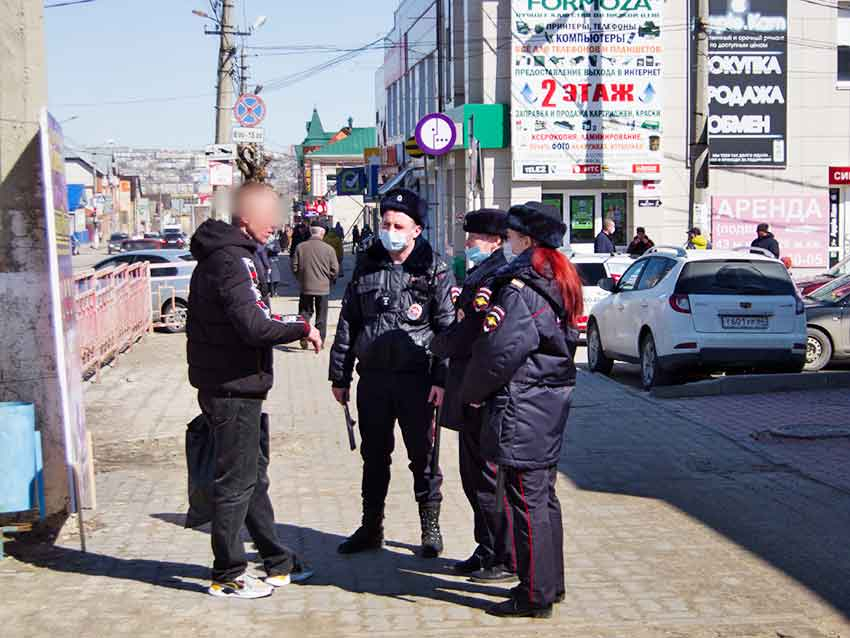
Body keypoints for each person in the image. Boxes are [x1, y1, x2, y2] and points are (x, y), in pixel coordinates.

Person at [187, 182, 322, 600]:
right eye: (270, 217)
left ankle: (276, 561)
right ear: (247, 217)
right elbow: (255, 326)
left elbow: (252, 314)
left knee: (252, 477)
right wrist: (302, 327)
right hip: (232, 388)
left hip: (233, 384)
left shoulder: (230, 256)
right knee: (236, 482)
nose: (277, 225)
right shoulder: (233, 260)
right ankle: (228, 573)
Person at [461, 201, 582, 618]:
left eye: (511, 238)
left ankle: (534, 595)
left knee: (527, 502)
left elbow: (500, 352)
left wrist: (472, 391)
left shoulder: (524, 288)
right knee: (543, 498)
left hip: (524, 406)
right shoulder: (557, 280)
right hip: (544, 404)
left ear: (526, 240)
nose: (506, 245)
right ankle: (550, 583)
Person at [329, 188, 455, 558]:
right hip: (373, 381)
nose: (390, 230)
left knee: (424, 458)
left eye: (399, 225)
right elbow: (348, 324)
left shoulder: (435, 270)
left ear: (416, 229)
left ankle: (430, 528)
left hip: (418, 381)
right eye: (386, 224)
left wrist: (441, 379)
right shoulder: (367, 264)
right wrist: (340, 375)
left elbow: (447, 331)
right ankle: (371, 528)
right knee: (374, 457)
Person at [430, 209, 516, 583]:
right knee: (471, 475)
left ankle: (502, 554)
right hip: (468, 386)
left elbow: (475, 331)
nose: (468, 245)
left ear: (494, 241)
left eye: (474, 239)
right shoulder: (481, 273)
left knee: (487, 479)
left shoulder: (496, 276)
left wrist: (438, 343)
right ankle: (485, 546)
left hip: (482, 389)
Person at [291, 220, 339, 346]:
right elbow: (335, 269)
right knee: (321, 316)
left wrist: (301, 279)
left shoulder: (300, 247)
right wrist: (330, 280)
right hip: (323, 288)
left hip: (305, 287)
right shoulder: (329, 249)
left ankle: (303, 336)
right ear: (322, 233)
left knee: (304, 313)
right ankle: (320, 341)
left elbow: (294, 267)